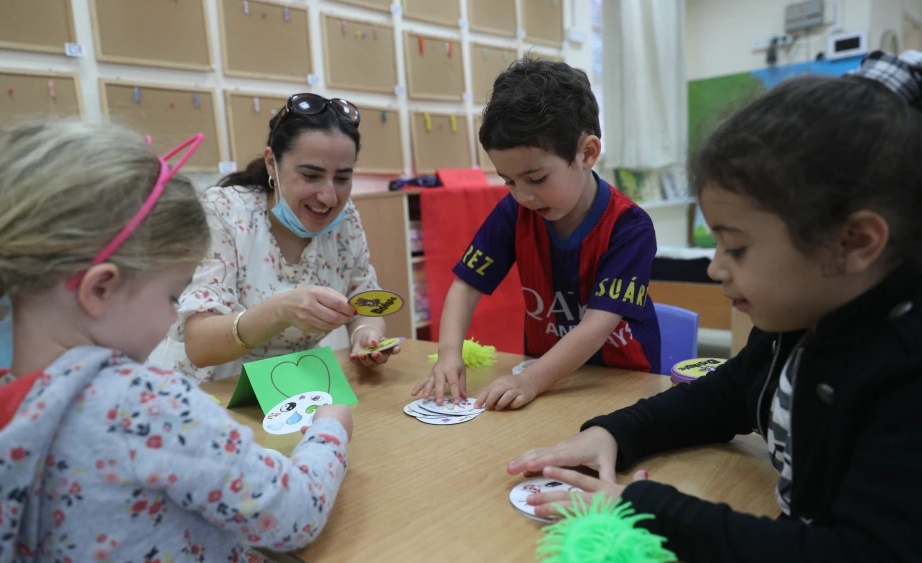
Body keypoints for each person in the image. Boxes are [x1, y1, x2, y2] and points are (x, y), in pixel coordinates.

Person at [507, 51, 922, 562]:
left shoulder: (904, 374)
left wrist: (645, 507)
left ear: (855, 242)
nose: (715, 268)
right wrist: (614, 432)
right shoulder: (795, 328)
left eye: (737, 248)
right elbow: (723, 397)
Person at [0, 121, 354, 562]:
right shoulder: (145, 407)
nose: (175, 316)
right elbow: (296, 514)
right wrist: (330, 429)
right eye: (173, 295)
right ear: (99, 289)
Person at [412, 56, 660, 410]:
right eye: (508, 181)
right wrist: (448, 355)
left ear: (587, 153)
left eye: (537, 179)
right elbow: (466, 286)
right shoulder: (514, 212)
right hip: (546, 384)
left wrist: (529, 380)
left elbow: (596, 326)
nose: (523, 195)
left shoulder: (629, 227)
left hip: (622, 385)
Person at [150, 93, 399, 384]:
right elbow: (199, 345)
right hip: (216, 388)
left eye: (342, 178)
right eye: (310, 175)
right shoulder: (225, 212)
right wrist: (280, 310)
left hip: (293, 385)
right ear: (272, 164)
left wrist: (366, 336)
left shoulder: (345, 219)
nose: (329, 196)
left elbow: (364, 301)